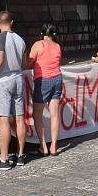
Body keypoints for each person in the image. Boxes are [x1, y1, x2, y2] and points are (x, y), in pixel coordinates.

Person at [0, 10, 28, 169]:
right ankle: (21, 155)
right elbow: (24, 63)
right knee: (19, 119)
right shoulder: (20, 39)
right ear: (12, 22)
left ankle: (3, 159)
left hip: (3, 81)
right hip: (18, 79)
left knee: (3, 121)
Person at [29, 24, 63, 156]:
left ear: (42, 33)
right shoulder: (57, 46)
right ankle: (54, 146)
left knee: (37, 115)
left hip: (43, 80)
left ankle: (43, 146)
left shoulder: (38, 45)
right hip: (57, 78)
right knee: (55, 114)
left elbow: (29, 62)